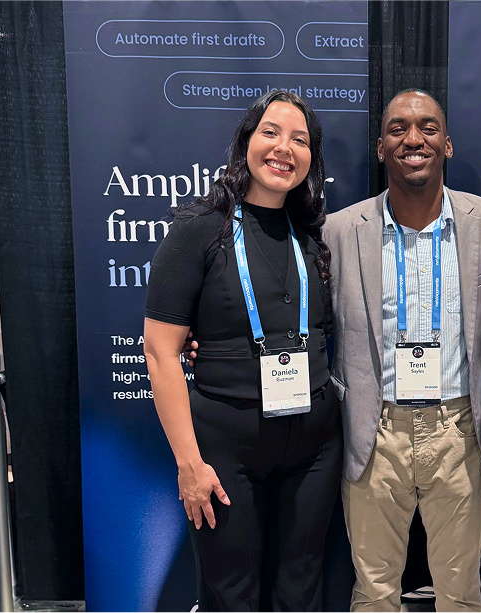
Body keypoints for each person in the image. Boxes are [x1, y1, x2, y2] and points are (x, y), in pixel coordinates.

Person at [143, 90, 342, 612]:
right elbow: (162, 353)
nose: (284, 149)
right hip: (224, 447)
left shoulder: (311, 234)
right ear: (246, 142)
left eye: (300, 139)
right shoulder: (198, 229)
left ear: (312, 160)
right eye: (271, 132)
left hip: (314, 446)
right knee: (232, 594)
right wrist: (190, 464)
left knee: (301, 589)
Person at [323, 89, 481, 611]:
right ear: (381, 148)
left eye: (427, 127)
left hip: (460, 432)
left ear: (447, 145)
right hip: (373, 432)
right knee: (375, 592)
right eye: (398, 128)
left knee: (461, 592)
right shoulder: (340, 231)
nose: (413, 138)